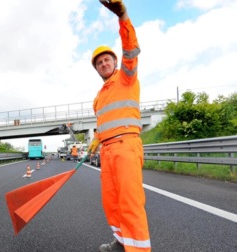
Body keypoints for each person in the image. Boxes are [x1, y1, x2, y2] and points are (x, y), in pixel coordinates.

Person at [90, 1, 151, 251]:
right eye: (99, 63)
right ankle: (122, 242)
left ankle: (138, 249)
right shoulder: (99, 96)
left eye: (107, 60)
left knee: (130, 203)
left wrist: (123, 17)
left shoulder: (126, 77)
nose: (104, 64)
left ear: (114, 62)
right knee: (112, 202)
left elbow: (131, 50)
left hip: (126, 147)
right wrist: (96, 139)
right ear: (96, 69)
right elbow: (103, 121)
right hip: (107, 150)